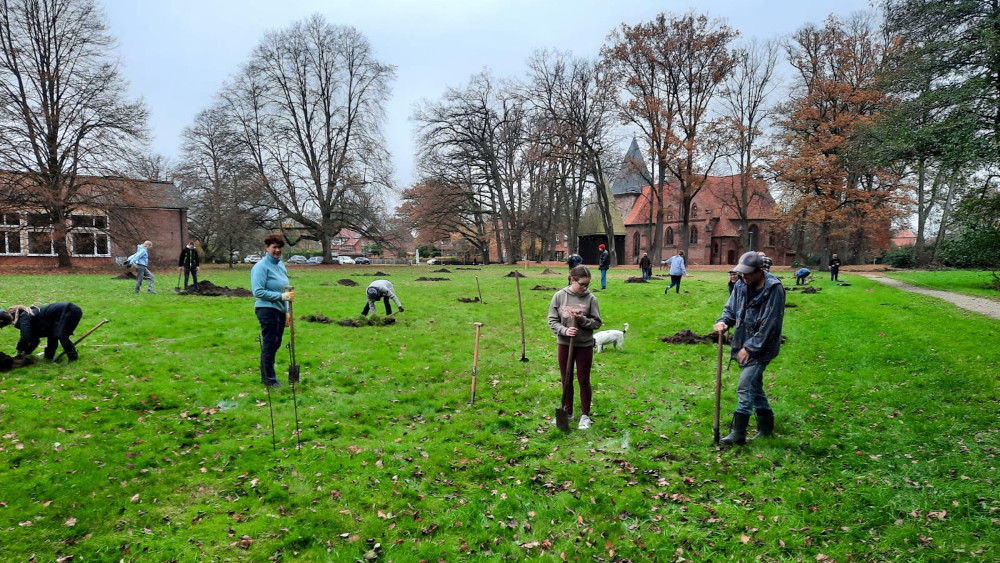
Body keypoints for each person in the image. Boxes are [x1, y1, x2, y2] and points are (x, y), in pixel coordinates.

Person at [713, 251, 785, 446]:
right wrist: (723, 321)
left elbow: (770, 325)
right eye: (741, 273)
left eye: (748, 274)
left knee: (745, 386)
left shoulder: (773, 289)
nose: (743, 277)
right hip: (744, 341)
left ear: (760, 271)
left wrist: (750, 348)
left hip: (764, 347)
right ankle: (766, 428)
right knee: (755, 386)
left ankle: (738, 433)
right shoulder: (741, 284)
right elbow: (731, 308)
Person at [548, 264, 602, 430]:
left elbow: (597, 322)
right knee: (566, 379)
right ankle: (568, 411)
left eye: (587, 284)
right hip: (565, 344)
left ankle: (585, 415)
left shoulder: (591, 298)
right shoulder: (559, 296)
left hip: (584, 345)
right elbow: (552, 320)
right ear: (572, 280)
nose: (585, 288)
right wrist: (565, 330)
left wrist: (582, 321)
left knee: (584, 380)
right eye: (582, 284)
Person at [251, 234, 294, 388]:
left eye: (279, 247)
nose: (277, 250)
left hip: (280, 310)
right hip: (266, 309)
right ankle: (269, 379)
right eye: (274, 247)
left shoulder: (280, 265)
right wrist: (281, 296)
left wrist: (287, 311)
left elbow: (285, 289)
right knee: (270, 343)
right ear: (267, 248)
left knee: (276, 343)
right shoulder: (260, 267)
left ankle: (269, 375)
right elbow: (258, 291)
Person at [0, 303, 84, 362]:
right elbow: (36, 339)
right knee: (54, 334)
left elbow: (26, 337)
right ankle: (49, 358)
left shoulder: (24, 317)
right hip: (69, 310)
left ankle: (73, 359)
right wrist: (27, 354)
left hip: (69, 310)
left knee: (62, 336)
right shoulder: (32, 317)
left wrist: (20, 350)